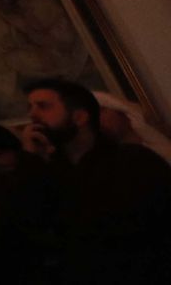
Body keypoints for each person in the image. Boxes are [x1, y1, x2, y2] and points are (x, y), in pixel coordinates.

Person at [25, 77, 171, 283]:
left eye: (43, 106)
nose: (32, 115)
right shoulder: (47, 170)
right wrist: (32, 162)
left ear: (80, 117)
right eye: (30, 107)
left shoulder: (134, 162)